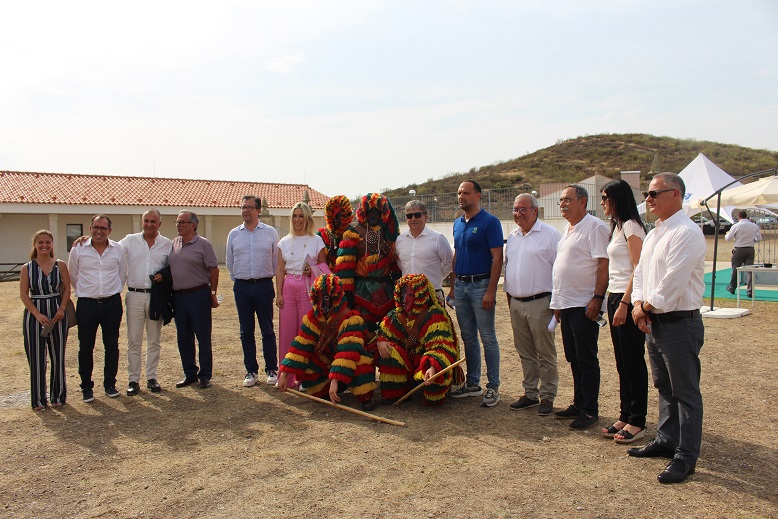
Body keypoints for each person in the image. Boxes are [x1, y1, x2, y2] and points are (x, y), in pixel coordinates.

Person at [628, 172, 706, 484]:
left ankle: (686, 457)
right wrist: (637, 305)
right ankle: (666, 439)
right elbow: (642, 273)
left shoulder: (686, 232)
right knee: (664, 386)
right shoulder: (656, 233)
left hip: (678, 322)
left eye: (654, 193)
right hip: (654, 321)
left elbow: (671, 283)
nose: (648, 199)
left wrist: (643, 307)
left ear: (675, 195)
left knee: (685, 393)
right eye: (648, 194)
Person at [549, 185, 609, 430]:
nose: (563, 204)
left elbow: (603, 265)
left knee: (586, 358)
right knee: (573, 357)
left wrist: (597, 298)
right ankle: (578, 402)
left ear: (583, 201)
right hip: (567, 303)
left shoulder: (594, 226)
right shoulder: (568, 228)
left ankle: (589, 409)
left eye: (567, 200)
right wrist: (557, 303)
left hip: (584, 304)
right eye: (560, 200)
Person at [277, 274, 377, 411]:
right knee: (310, 362)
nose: (322, 304)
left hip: (351, 361)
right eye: (318, 298)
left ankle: (365, 397)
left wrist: (335, 379)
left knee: (360, 362)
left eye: (325, 298)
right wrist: (284, 374)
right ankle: (330, 389)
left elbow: (347, 354)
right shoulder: (314, 318)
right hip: (329, 362)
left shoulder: (351, 319)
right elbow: (300, 345)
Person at [599, 180, 648, 443]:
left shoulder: (631, 226)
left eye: (606, 197)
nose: (603, 202)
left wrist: (626, 303)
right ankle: (625, 414)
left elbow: (637, 267)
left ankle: (637, 420)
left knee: (632, 360)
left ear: (619, 198)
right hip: (614, 295)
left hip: (626, 298)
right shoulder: (617, 227)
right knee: (621, 361)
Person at [448, 180, 504, 407]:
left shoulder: (490, 222)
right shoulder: (457, 223)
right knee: (468, 336)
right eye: (460, 193)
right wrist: (452, 286)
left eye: (466, 193)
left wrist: (491, 291)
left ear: (478, 196)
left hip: (481, 285)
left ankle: (493, 387)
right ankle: (473, 384)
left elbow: (498, 258)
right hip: (460, 286)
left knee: (488, 337)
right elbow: (456, 255)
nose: (462, 197)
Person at [504, 194, 561, 417]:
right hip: (516, 303)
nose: (519, 214)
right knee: (525, 351)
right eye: (515, 210)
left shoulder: (550, 236)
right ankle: (530, 393)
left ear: (535, 210)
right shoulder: (514, 236)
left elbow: (559, 272)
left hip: (541, 303)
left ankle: (547, 395)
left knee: (545, 352)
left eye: (523, 209)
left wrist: (557, 304)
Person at [375, 274, 463, 405]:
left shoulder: (435, 317)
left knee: (434, 393)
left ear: (420, 296)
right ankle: (397, 391)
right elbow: (383, 333)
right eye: (403, 294)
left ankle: (429, 385)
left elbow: (440, 347)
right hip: (408, 362)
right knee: (387, 350)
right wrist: (381, 340)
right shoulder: (396, 316)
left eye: (410, 295)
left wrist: (433, 367)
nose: (405, 299)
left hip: (424, 364)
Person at [68, 215, 128, 402]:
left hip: (111, 304)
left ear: (109, 230)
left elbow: (122, 273)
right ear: (90, 228)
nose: (99, 231)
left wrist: (111, 290)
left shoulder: (118, 249)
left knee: (111, 346)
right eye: (96, 227)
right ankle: (86, 386)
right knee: (85, 347)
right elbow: (72, 273)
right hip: (87, 305)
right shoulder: (78, 248)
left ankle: (110, 384)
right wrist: (86, 291)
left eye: (103, 228)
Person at [226, 195, 280, 387]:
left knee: (267, 329)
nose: (245, 210)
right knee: (246, 331)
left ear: (258, 210)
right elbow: (230, 261)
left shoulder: (270, 233)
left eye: (249, 207)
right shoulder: (234, 234)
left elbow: (276, 260)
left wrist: (268, 277)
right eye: (243, 207)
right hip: (241, 287)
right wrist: (237, 279)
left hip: (264, 285)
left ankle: (272, 369)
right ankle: (251, 370)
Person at [118, 210, 172, 396]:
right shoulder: (129, 241)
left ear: (159, 224)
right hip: (134, 295)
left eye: (153, 221)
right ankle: (133, 380)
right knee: (134, 340)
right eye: (146, 221)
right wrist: (85, 240)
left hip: (155, 297)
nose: (149, 224)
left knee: (154, 339)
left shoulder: (167, 245)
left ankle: (152, 377)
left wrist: (163, 277)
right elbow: (110, 249)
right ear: (142, 222)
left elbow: (172, 268)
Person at [276, 202, 327, 390]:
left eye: (301, 216)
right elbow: (280, 270)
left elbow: (324, 267)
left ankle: (306, 378)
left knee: (306, 331)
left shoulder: (317, 241)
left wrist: (312, 269)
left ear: (308, 218)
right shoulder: (284, 241)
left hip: (308, 288)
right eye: (295, 216)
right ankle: (286, 376)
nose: (298, 220)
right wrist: (278, 294)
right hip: (288, 286)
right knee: (287, 331)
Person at [20, 230, 72, 410]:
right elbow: (24, 295)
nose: (44, 245)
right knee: (36, 358)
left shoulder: (60, 265)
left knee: (58, 355)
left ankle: (58, 395)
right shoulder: (27, 268)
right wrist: (37, 314)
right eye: (40, 242)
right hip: (35, 316)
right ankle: (38, 399)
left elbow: (67, 289)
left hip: (57, 314)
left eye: (48, 242)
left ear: (52, 244)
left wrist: (62, 308)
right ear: (35, 244)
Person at [335, 192, 400, 330]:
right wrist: (347, 293)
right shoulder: (352, 233)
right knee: (363, 329)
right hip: (360, 292)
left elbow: (395, 264)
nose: (373, 215)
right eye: (370, 211)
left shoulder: (389, 233)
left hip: (386, 291)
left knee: (388, 329)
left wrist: (398, 287)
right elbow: (345, 268)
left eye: (377, 211)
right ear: (363, 212)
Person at [170, 210, 220, 389]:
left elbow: (214, 270)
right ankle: (189, 373)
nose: (178, 225)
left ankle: (205, 375)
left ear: (193, 225)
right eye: (177, 222)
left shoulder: (204, 245)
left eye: (182, 222)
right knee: (183, 336)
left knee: (203, 336)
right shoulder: (174, 243)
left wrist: (213, 294)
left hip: (199, 295)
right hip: (179, 297)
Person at [395, 200, 453, 305]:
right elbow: (401, 263)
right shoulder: (400, 240)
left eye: (417, 215)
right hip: (407, 295)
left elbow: (449, 263)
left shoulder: (438, 238)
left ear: (426, 217)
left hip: (432, 293)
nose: (413, 219)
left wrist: (435, 278)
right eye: (409, 216)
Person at [725, 210, 762, 298]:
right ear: (746, 216)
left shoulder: (736, 226)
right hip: (750, 248)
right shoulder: (754, 226)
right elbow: (759, 238)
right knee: (749, 270)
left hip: (739, 248)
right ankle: (750, 290)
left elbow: (728, 238)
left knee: (735, 269)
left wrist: (727, 234)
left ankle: (732, 287)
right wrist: (753, 240)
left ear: (738, 217)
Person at [316, 195, 354, 271]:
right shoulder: (321, 235)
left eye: (340, 214)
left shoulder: (353, 234)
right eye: (333, 214)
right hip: (325, 277)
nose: (336, 218)